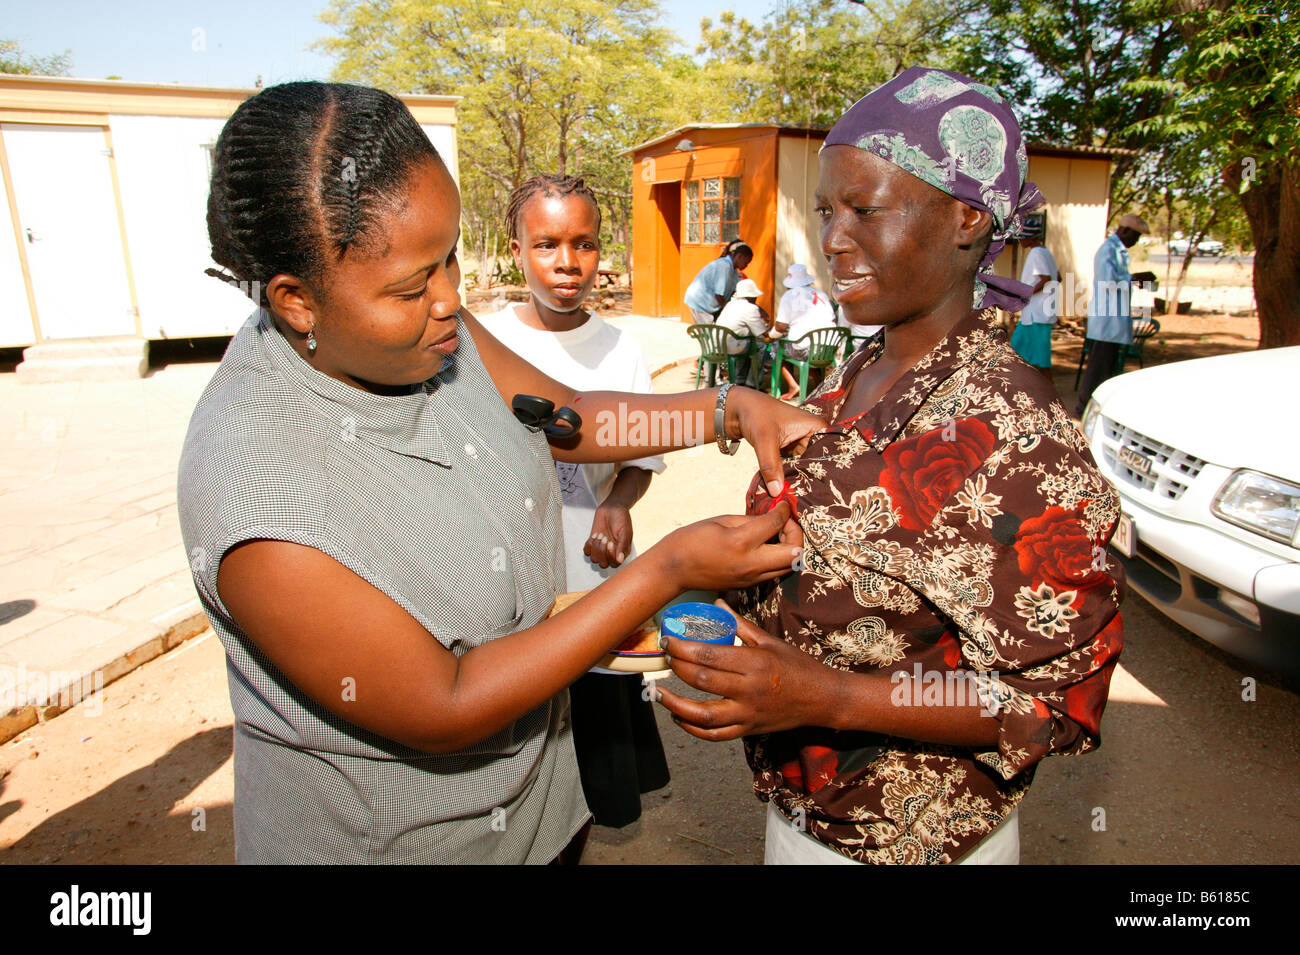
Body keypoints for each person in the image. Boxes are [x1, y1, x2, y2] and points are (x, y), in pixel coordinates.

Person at [179, 82, 819, 864]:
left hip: (539, 807)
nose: (453, 299)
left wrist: (727, 406)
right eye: (415, 286)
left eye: (449, 258)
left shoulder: (421, 327)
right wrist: (666, 571)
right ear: (296, 300)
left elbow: (570, 413)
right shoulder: (256, 491)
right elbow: (447, 702)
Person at [656, 67, 1125, 865]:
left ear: (967, 218)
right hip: (808, 813)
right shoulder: (860, 371)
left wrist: (830, 697)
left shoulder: (1016, 431)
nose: (833, 240)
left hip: (916, 844)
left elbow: (1053, 700)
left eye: (865, 210)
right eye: (826, 210)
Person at [477, 173, 669, 838]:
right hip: (507, 569)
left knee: (591, 709)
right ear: (517, 249)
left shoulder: (620, 348)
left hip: (591, 564)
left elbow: (641, 458)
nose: (567, 263)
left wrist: (618, 501)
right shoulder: (482, 344)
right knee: (520, 710)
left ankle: (582, 826)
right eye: (547, 244)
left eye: (583, 244)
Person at [1074, 214, 1158, 415]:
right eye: (1136, 237)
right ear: (1124, 230)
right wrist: (1135, 277)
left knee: (1107, 368)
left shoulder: (1120, 252)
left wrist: (1134, 279)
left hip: (1114, 321)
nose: (1135, 242)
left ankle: (1098, 407)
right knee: (1098, 368)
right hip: (1106, 321)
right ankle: (1084, 408)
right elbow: (1108, 283)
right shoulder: (1108, 250)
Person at [774, 263, 838, 400]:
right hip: (827, 347)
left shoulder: (789, 295)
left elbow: (780, 326)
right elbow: (833, 319)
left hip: (805, 349)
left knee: (775, 347)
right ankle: (819, 385)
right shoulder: (821, 294)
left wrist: (773, 334)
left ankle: (793, 385)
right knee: (809, 347)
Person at [1008, 232, 1059, 382]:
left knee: (1040, 362)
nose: (1020, 241)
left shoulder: (1036, 253)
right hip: (1036, 314)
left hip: (1037, 315)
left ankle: (1050, 397)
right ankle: (1024, 389)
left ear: (1031, 237)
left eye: (1022, 237)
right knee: (1016, 351)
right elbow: (1058, 277)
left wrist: (1026, 293)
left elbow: (1046, 279)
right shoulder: (1046, 252)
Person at [715, 277, 770, 386]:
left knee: (747, 343)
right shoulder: (750, 308)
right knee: (760, 345)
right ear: (751, 296)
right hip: (733, 346)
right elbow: (761, 333)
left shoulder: (730, 305)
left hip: (717, 345)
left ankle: (740, 378)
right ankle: (752, 382)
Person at [683, 241, 753, 324]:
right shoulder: (724, 266)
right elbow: (719, 295)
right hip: (700, 303)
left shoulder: (733, 270)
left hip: (709, 304)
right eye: (746, 262)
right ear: (739, 256)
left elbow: (734, 292)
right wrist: (728, 311)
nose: (746, 266)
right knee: (708, 333)